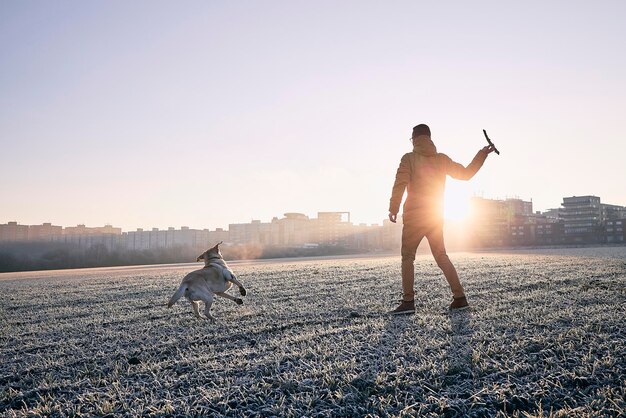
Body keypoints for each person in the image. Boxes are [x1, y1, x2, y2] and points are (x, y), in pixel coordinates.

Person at [388, 124, 495, 314]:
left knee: (408, 257)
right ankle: (460, 297)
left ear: (414, 139)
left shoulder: (409, 158)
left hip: (414, 217)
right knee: (441, 255)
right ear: (429, 138)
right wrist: (482, 154)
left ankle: (408, 302)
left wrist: (393, 208)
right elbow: (466, 173)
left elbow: (400, 183)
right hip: (435, 215)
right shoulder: (441, 159)